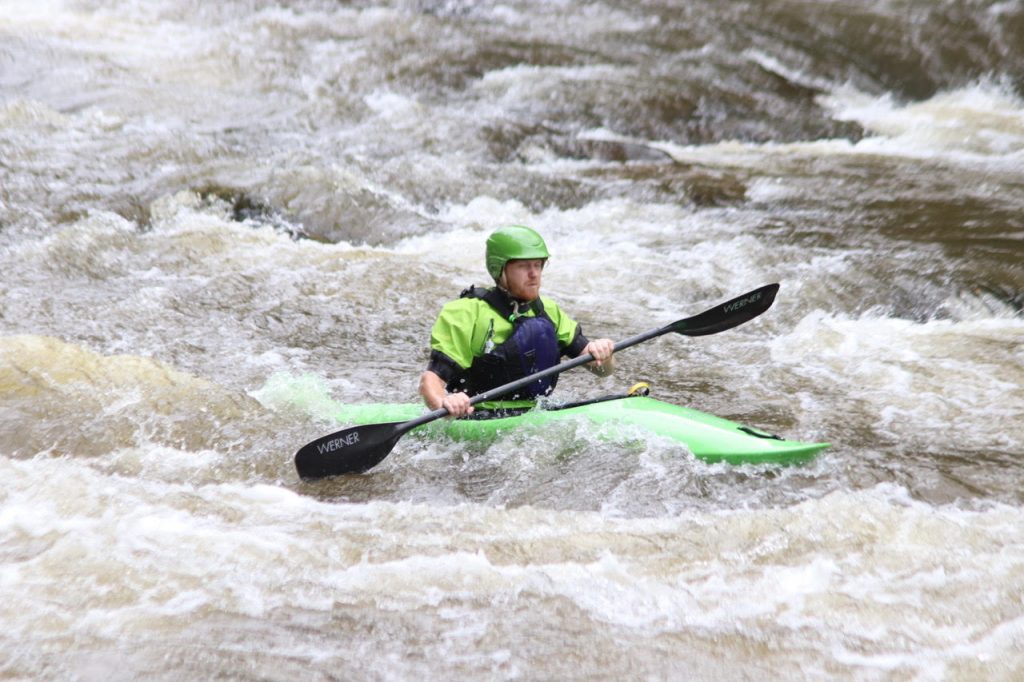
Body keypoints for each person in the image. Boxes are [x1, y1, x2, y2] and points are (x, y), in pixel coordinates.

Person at [419, 225, 615, 417]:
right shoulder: (465, 313)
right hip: (477, 414)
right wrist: (444, 403)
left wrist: (603, 353)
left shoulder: (547, 310)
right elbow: (431, 380)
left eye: (538, 265)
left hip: (535, 413)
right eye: (523, 266)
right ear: (500, 270)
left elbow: (603, 371)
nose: (534, 274)